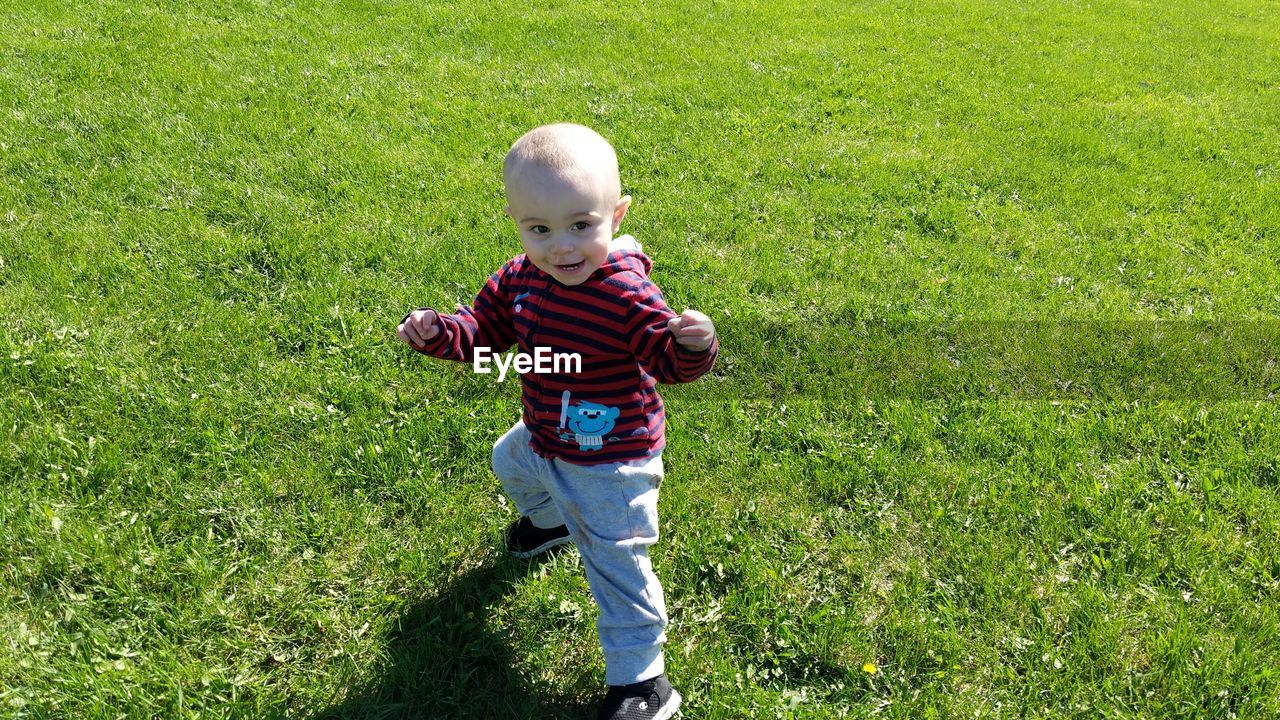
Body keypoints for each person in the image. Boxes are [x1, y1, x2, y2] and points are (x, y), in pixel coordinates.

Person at [397, 123, 717, 720]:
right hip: (545, 436)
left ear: (616, 214)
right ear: (517, 221)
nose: (562, 247)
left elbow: (668, 362)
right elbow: (482, 334)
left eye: (581, 225)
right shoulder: (518, 278)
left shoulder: (626, 294)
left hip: (611, 461)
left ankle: (643, 683)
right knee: (506, 459)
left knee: (616, 564)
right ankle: (549, 525)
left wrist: (693, 345)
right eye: (539, 229)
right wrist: (440, 332)